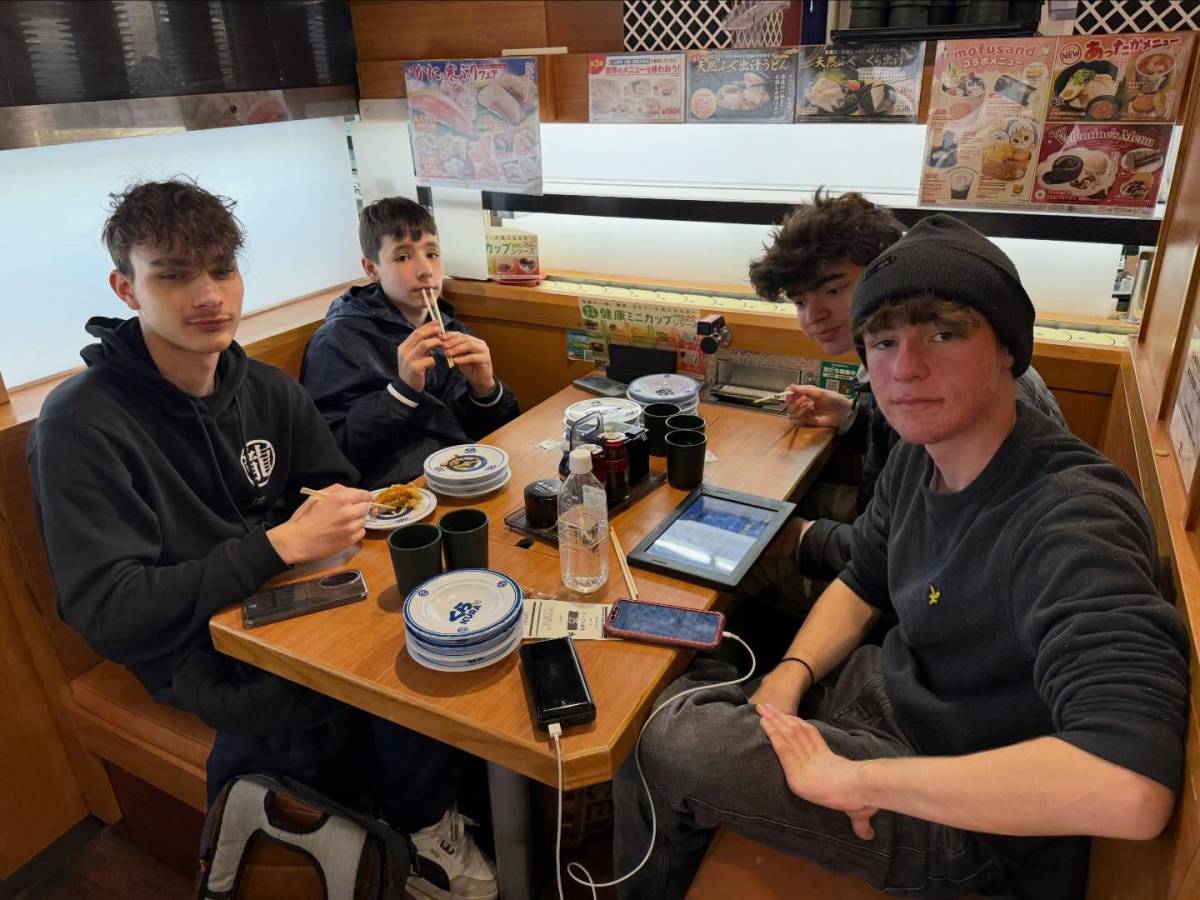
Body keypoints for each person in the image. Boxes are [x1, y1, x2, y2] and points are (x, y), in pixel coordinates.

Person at [613, 215, 1189, 900]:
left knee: (669, 739)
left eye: (944, 334)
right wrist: (790, 676)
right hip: (893, 695)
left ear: (1009, 349)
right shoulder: (923, 452)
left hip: (975, 819)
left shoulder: (1072, 514)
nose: (905, 369)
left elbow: (1130, 786)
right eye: (883, 342)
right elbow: (864, 578)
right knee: (672, 690)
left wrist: (861, 781)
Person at [27, 180, 496, 900]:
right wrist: (276, 546)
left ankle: (417, 821)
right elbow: (109, 612)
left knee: (426, 626)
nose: (209, 294)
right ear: (126, 289)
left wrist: (344, 519)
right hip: (185, 639)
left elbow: (335, 490)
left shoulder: (267, 390)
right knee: (304, 701)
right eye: (174, 276)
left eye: (222, 269)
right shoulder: (80, 423)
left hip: (292, 598)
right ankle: (346, 848)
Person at [741, 191, 1064, 622]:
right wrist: (852, 419)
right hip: (889, 526)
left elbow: (924, 551)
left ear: (888, 270)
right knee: (760, 507)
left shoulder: (958, 386)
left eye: (834, 289)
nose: (814, 315)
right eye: (800, 302)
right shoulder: (892, 356)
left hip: (922, 598)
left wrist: (801, 537)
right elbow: (904, 477)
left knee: (742, 554)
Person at [301, 197, 519, 489]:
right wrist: (401, 393)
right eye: (403, 257)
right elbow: (332, 455)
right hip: (393, 497)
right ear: (371, 268)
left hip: (461, 476)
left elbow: (487, 436)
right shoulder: (337, 341)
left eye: (432, 253)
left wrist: (486, 390)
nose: (425, 269)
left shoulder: (450, 328)